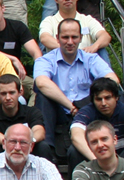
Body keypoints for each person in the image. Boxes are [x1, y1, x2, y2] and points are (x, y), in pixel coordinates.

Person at [33, 19, 119, 154]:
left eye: (74, 37)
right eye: (65, 37)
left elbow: (113, 80)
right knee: (42, 97)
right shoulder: (45, 60)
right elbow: (42, 83)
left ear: (80, 38)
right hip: (59, 110)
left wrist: (85, 104)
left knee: (111, 94)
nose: (70, 42)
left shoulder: (91, 58)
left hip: (88, 109)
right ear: (57, 38)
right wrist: (71, 107)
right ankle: (47, 149)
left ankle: (118, 141)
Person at [69, 77, 124, 171]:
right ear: (93, 100)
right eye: (99, 99)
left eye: (107, 98)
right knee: (74, 150)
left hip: (123, 157)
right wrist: (96, 161)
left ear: (116, 97)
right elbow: (76, 135)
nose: (103, 103)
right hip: (94, 158)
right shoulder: (85, 112)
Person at [0, 74, 54, 161]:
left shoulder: (32, 112)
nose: (8, 97)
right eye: (3, 94)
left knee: (42, 146)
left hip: (28, 153)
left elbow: (39, 131)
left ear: (20, 93)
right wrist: (13, 143)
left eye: (12, 93)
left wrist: (26, 143)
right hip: (2, 152)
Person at [0, 0, 42, 97]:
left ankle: (31, 112)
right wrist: (13, 58)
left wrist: (40, 75)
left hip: (15, 76)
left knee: (39, 87)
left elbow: (36, 52)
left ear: (3, 8)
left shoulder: (17, 27)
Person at [38, 0, 111, 59]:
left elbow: (105, 36)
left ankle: (107, 72)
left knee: (101, 49)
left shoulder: (87, 20)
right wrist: (71, 50)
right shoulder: (49, 21)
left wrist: (94, 46)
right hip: (59, 67)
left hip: (85, 66)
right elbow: (44, 38)